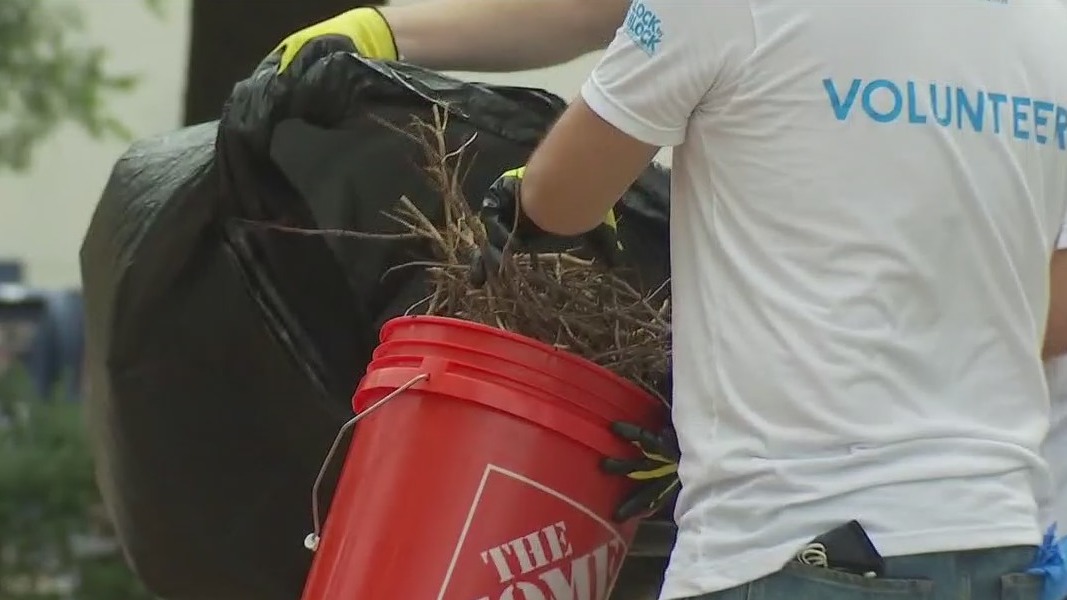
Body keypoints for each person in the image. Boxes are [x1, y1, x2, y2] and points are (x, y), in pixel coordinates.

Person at [467, 2, 1067, 600]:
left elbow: (560, 200)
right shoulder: (1050, 24)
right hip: (1000, 547)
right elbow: (1052, 310)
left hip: (790, 540)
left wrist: (528, 192)